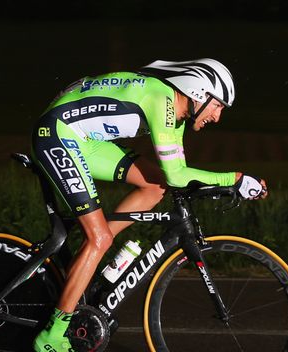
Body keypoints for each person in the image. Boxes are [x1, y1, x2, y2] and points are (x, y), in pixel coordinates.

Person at [31, 59, 267, 352]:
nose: (217, 117)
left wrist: (221, 184)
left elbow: (174, 174)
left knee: (156, 184)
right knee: (100, 237)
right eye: (217, 106)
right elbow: (179, 174)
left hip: (83, 138)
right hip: (58, 135)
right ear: (198, 92)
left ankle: (95, 246)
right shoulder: (161, 100)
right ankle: (51, 336)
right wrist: (235, 179)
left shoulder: (175, 112)